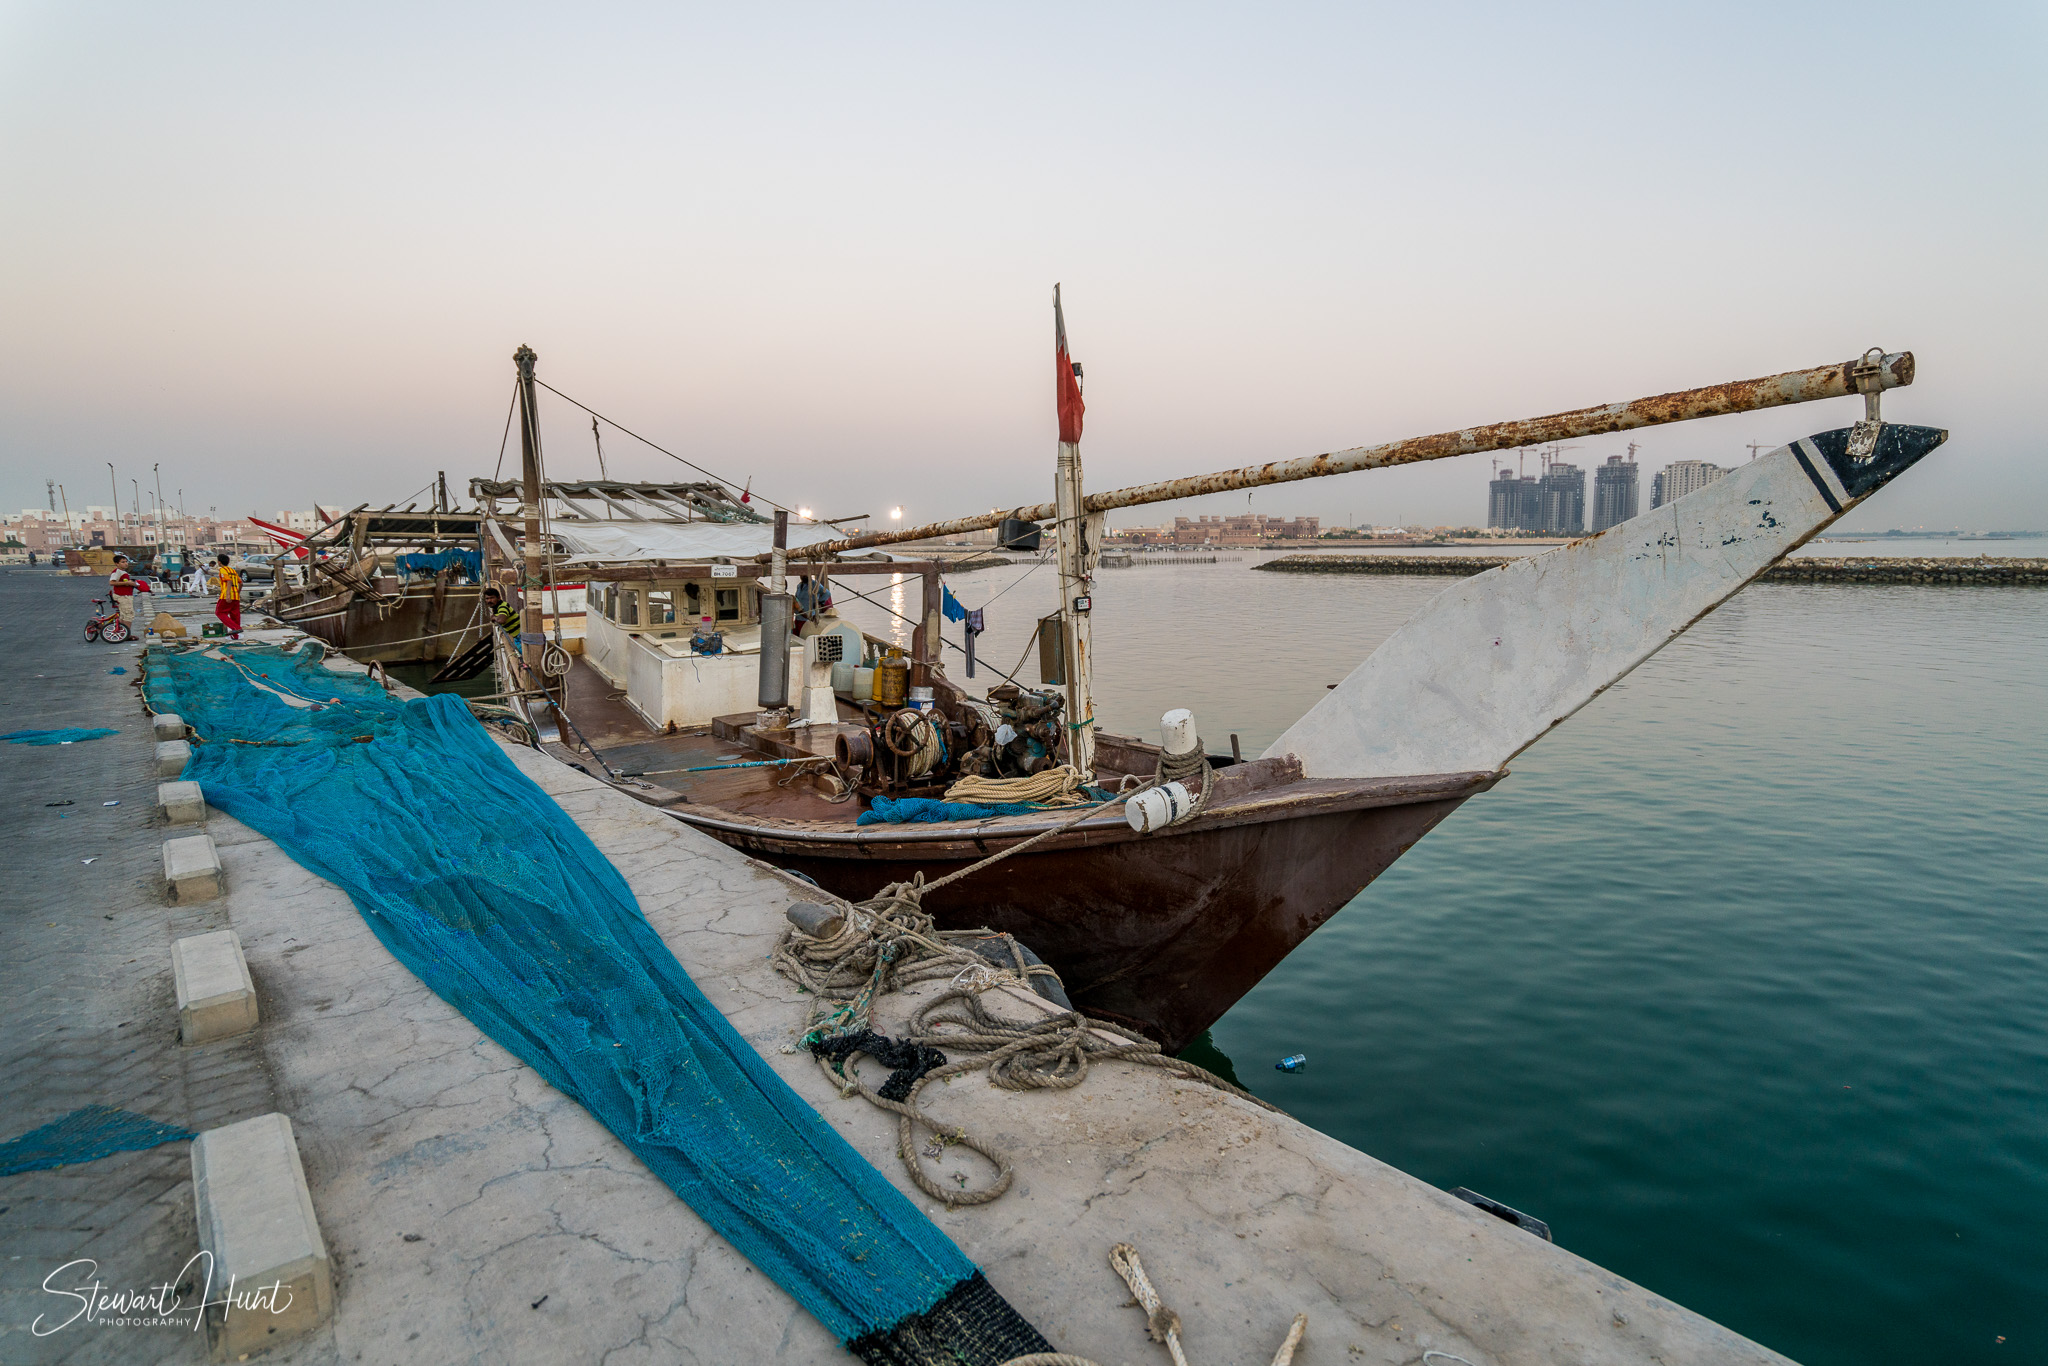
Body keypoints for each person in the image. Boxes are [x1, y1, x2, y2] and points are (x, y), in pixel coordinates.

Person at [108, 553, 151, 628]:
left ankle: (123, 632)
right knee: (128, 614)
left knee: (123, 615)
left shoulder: (123, 572)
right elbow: (112, 582)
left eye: (126, 561)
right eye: (123, 562)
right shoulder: (117, 572)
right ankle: (127, 633)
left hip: (126, 595)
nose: (125, 563)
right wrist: (127, 582)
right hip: (123, 596)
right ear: (116, 564)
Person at [214, 554, 243, 639]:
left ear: (219, 562)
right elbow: (241, 583)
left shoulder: (222, 570)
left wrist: (228, 595)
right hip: (235, 596)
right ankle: (235, 636)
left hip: (226, 595)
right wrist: (237, 592)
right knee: (235, 615)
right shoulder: (232, 570)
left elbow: (229, 581)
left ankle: (236, 628)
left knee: (219, 612)